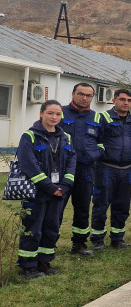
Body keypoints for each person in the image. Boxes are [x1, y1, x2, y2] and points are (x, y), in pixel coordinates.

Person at [16, 100, 76, 279]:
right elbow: (29, 165)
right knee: (33, 227)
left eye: (58, 114)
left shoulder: (66, 137)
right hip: (37, 192)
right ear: (41, 113)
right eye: (50, 113)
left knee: (52, 227)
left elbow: (72, 161)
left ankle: (44, 262)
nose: (54, 117)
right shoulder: (30, 136)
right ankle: (28, 266)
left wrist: (65, 185)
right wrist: (49, 187)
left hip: (59, 192)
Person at [90, 89, 131, 250]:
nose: (126, 103)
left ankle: (117, 239)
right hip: (106, 168)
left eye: (129, 100)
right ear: (114, 100)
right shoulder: (103, 118)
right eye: (122, 99)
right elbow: (94, 140)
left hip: (127, 169)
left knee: (122, 206)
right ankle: (98, 239)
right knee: (101, 204)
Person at [59, 83, 103, 257]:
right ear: (73, 94)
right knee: (56, 207)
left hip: (86, 170)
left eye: (88, 95)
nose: (84, 98)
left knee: (83, 207)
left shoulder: (96, 117)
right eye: (81, 94)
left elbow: (102, 143)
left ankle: (79, 243)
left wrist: (94, 155)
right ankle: (49, 242)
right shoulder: (60, 113)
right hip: (62, 170)